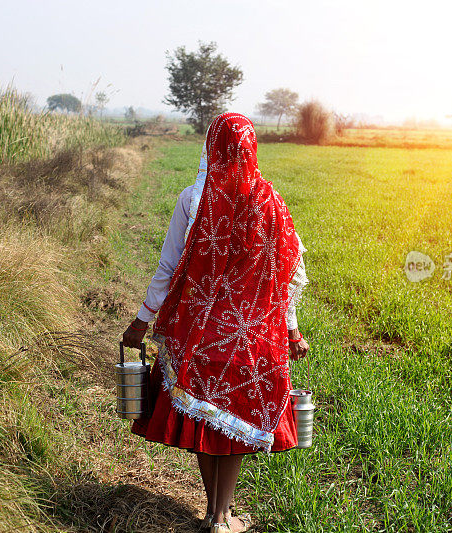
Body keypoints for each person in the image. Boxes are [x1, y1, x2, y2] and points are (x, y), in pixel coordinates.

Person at [122, 112, 309, 533]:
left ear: (211, 146)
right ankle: (225, 515)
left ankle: (211, 513)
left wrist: (141, 321)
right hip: (251, 338)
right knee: (232, 425)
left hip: (200, 334)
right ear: (252, 148)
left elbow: (168, 267)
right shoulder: (272, 205)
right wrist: (292, 330)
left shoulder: (194, 198)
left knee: (207, 420)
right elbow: (285, 275)